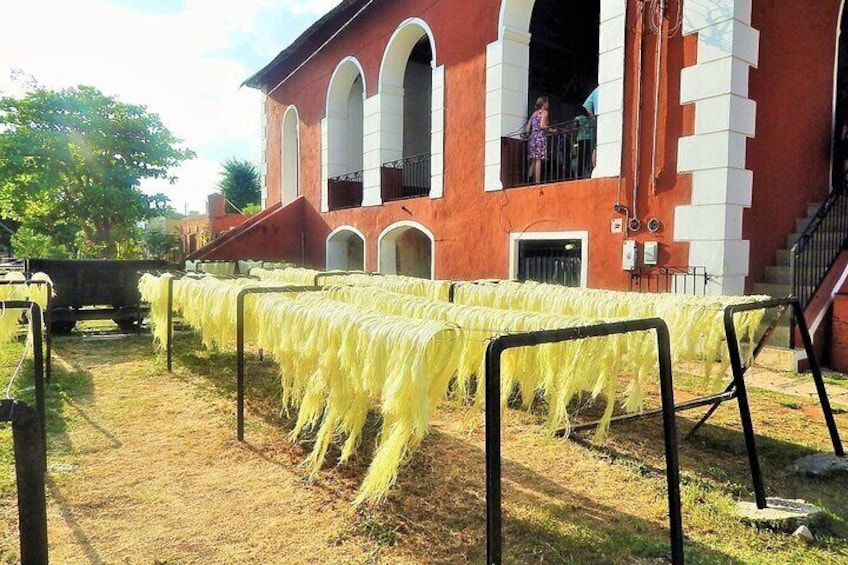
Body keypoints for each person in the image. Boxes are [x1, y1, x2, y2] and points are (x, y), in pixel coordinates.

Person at [525, 96, 550, 183]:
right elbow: (542, 125)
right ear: (544, 103)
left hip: (532, 138)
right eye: (547, 102)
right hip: (540, 137)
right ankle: (537, 182)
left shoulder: (534, 114)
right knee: (538, 160)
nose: (548, 104)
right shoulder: (544, 112)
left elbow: (527, 129)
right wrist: (550, 129)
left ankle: (528, 180)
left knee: (533, 160)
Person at [582, 86, 599, 170]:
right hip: (605, 117)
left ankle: (595, 169)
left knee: (596, 146)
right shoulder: (607, 87)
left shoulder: (596, 90)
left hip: (597, 119)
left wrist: (593, 117)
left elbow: (586, 105)